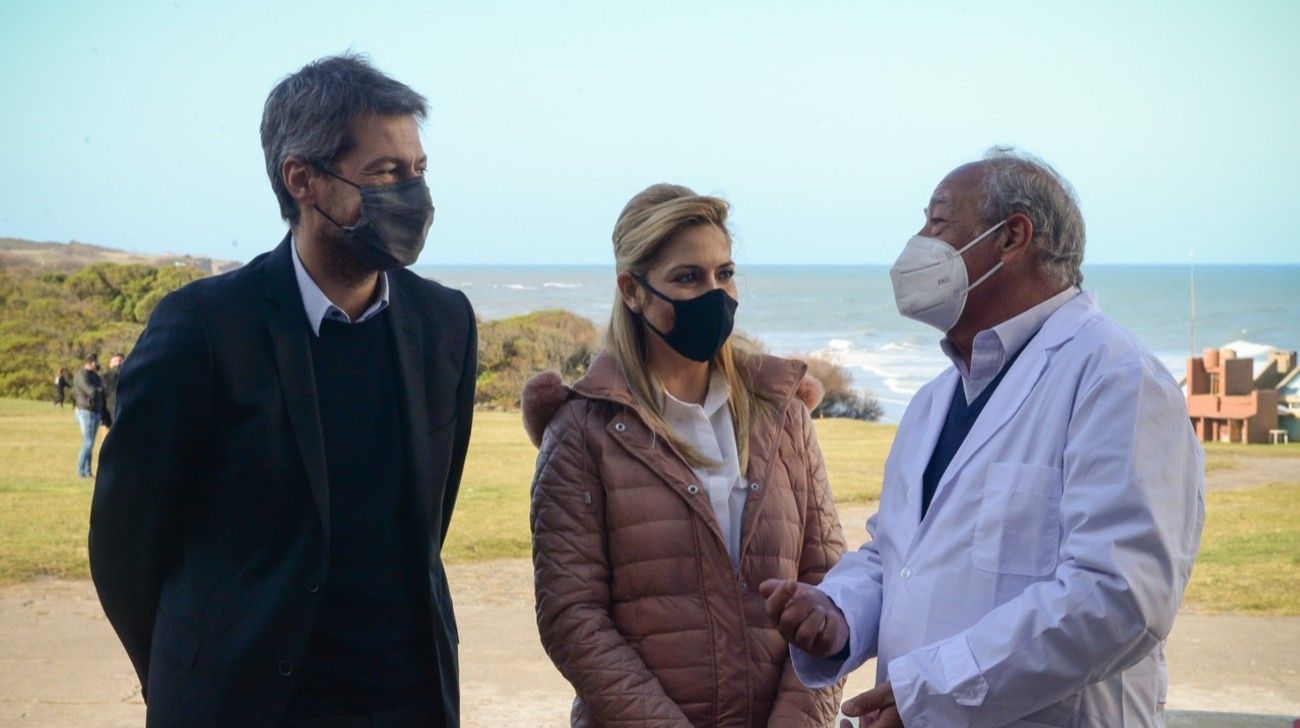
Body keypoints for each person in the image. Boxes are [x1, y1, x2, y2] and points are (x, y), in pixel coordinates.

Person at [89, 54, 476, 727]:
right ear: (304, 180)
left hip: (408, 701)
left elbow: (426, 524)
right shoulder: (202, 330)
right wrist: (189, 675)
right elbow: (125, 545)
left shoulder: (445, 324)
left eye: (418, 172)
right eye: (386, 174)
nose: (413, 195)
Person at [762, 148, 1206, 727]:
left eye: (938, 222)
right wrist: (839, 610)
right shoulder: (933, 401)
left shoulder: (1116, 379)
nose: (918, 241)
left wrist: (934, 690)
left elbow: (1119, 596)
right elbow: (900, 555)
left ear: (1011, 236)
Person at [524, 183, 846, 727]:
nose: (715, 294)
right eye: (687, 278)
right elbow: (572, 617)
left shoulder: (781, 414)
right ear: (632, 291)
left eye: (725, 273)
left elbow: (830, 585)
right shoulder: (584, 430)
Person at [71, 354, 105, 478]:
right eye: (95, 363)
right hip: (86, 410)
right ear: (90, 362)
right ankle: (80, 470)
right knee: (88, 442)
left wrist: (99, 389)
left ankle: (88, 471)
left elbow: (102, 387)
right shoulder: (81, 374)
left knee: (90, 442)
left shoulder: (94, 375)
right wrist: (98, 389)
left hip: (95, 410)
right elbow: (90, 390)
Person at [100, 352, 124, 428]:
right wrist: (103, 417)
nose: (117, 364)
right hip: (109, 415)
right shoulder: (104, 378)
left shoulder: (132, 377)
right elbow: (100, 398)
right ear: (110, 364)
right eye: (115, 361)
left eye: (120, 361)